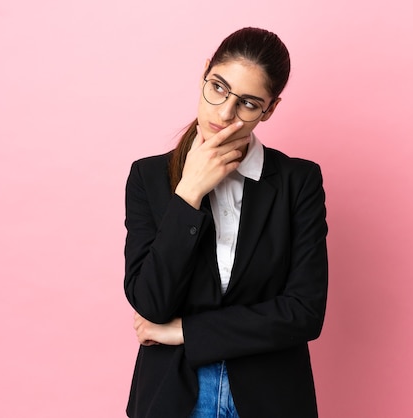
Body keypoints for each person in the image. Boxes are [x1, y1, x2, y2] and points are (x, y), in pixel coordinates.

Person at [123, 27, 328, 418]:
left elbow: (304, 312)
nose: (224, 113)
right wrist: (189, 194)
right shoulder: (147, 177)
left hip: (271, 397)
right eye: (218, 87)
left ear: (270, 109)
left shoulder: (297, 182)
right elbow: (150, 302)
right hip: (173, 396)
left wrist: (186, 331)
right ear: (205, 73)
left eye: (249, 103)